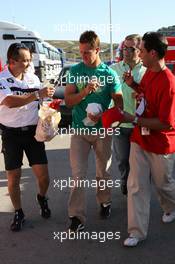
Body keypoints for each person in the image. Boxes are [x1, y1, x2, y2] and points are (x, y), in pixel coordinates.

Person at [119, 32, 175, 246]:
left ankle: (171, 206)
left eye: (141, 50)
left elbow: (166, 123)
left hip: (161, 144)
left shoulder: (169, 83)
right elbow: (145, 92)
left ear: (153, 53)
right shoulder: (149, 73)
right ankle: (136, 232)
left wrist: (134, 119)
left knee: (164, 185)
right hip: (139, 139)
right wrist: (134, 85)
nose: (138, 54)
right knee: (136, 185)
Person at [65, 30, 123, 232]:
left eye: (87, 52)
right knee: (78, 174)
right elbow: (68, 101)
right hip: (80, 131)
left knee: (102, 172)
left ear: (97, 50)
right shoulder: (75, 71)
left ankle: (105, 202)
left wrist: (110, 107)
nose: (83, 56)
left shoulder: (109, 74)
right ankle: (76, 216)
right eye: (81, 52)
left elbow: (118, 99)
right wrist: (85, 92)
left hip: (102, 131)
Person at [0, 43, 55, 232]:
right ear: (12, 61)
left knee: (44, 177)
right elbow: (9, 102)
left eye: (29, 59)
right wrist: (36, 95)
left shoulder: (33, 78)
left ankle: (42, 196)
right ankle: (18, 211)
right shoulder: (2, 79)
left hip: (33, 133)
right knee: (13, 177)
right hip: (11, 134)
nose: (29, 63)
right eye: (24, 60)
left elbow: (43, 101)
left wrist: (48, 100)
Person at [110, 34, 146, 195]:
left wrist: (139, 93)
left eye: (131, 48)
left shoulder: (146, 71)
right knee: (123, 159)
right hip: (119, 124)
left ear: (139, 50)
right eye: (125, 47)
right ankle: (125, 180)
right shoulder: (114, 69)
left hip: (140, 124)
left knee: (139, 162)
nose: (127, 51)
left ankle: (137, 186)